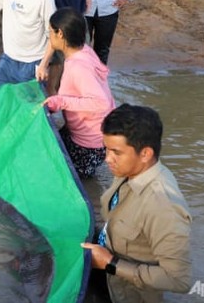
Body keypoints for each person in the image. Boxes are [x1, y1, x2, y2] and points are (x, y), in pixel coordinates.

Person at [82, 104, 192, 303]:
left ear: (145, 154)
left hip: (128, 292)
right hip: (107, 266)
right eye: (106, 149)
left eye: (116, 152)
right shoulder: (130, 171)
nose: (107, 159)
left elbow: (179, 279)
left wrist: (110, 263)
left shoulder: (162, 206)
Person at [43, 8, 115, 177]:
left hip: (89, 143)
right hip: (87, 132)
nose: (49, 37)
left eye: (50, 32)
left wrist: (61, 101)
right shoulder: (85, 51)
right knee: (53, 157)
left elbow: (101, 102)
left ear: (60, 34)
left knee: (69, 180)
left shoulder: (78, 66)